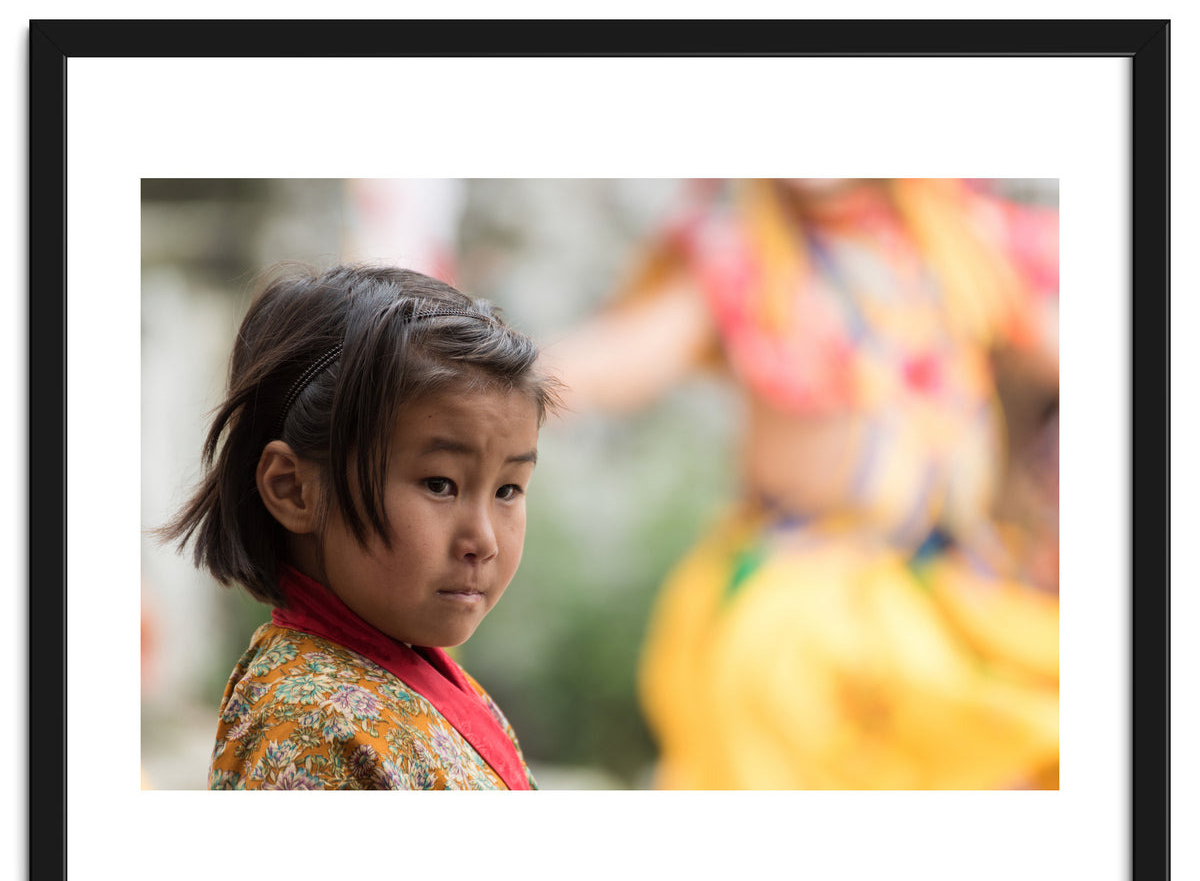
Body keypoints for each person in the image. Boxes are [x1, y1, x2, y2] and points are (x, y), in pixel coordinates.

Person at [543, 178, 1059, 790]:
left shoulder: (956, 242)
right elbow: (622, 358)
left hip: (952, 589)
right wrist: (492, 381)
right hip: (806, 595)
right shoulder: (741, 253)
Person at [159, 264, 559, 790]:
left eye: (508, 489)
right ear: (293, 489)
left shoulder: (416, 675)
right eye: (440, 484)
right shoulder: (309, 726)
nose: (482, 540)